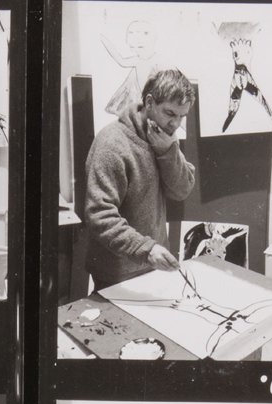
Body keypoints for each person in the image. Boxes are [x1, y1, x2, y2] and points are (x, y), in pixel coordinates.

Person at [84, 68, 197, 291]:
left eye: (182, 116)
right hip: (117, 273)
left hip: (153, 264)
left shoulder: (164, 136)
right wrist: (147, 249)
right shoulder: (112, 143)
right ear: (149, 102)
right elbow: (99, 215)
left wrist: (168, 151)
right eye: (170, 113)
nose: (176, 124)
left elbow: (182, 190)